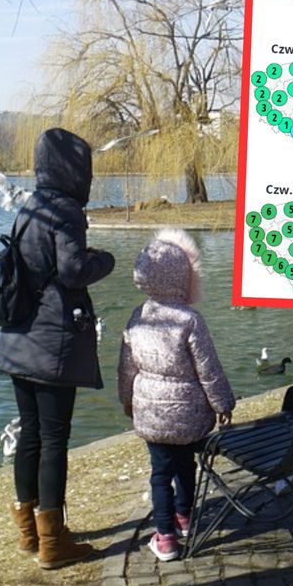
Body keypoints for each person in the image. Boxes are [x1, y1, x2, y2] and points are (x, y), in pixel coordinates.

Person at [0, 128, 115, 570]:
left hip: (18, 336)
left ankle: (28, 532)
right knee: (54, 438)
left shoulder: (29, 205)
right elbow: (72, 270)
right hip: (51, 342)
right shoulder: (66, 210)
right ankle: (53, 542)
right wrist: (105, 260)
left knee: (30, 433)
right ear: (75, 169)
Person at [118, 229, 235, 562]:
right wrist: (222, 403)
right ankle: (184, 516)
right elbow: (208, 369)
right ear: (185, 275)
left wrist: (126, 400)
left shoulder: (138, 317)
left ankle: (165, 537)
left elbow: (126, 369)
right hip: (189, 412)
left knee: (160, 473)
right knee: (185, 465)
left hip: (151, 412)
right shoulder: (190, 319)